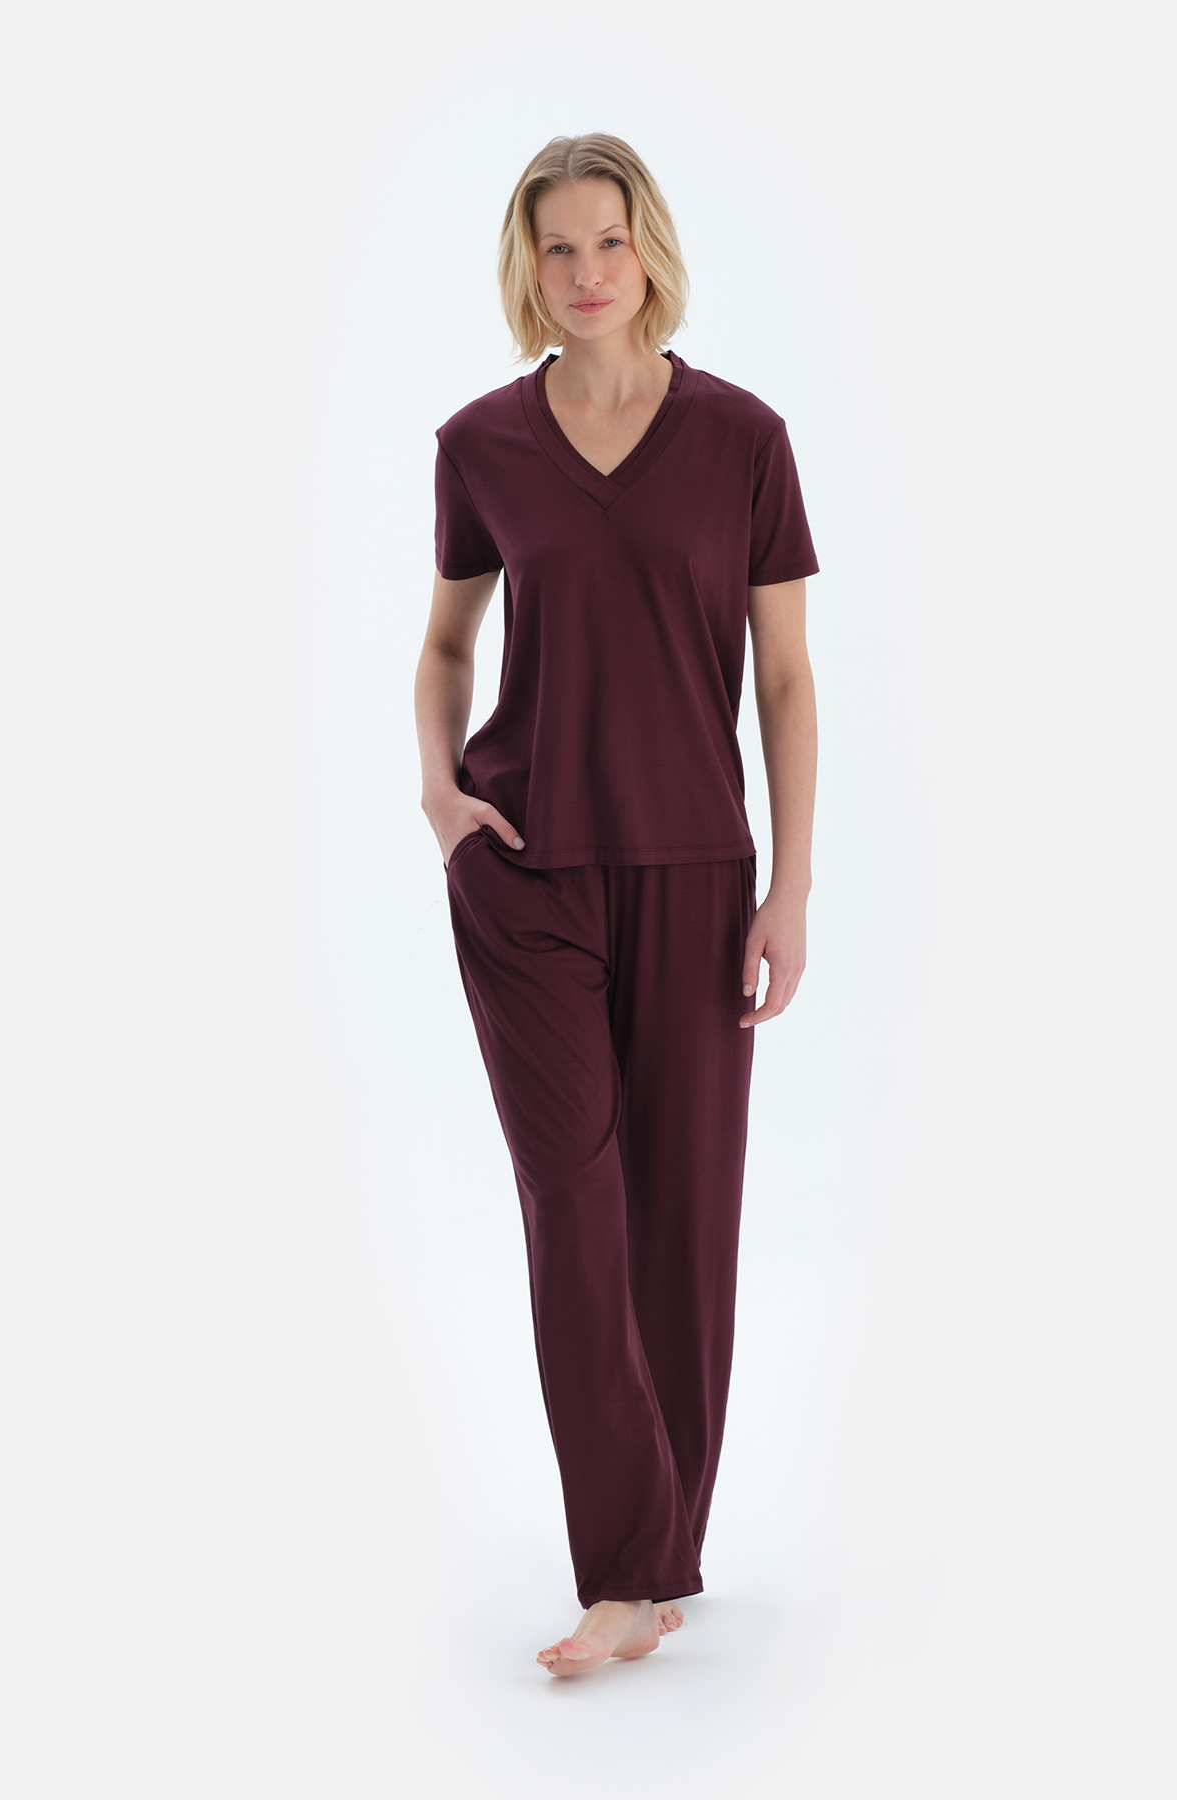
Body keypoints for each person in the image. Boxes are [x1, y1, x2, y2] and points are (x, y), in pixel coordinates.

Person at [413, 132, 820, 1677]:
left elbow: (786, 680)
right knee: (571, 1207)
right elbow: (447, 644)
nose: (585, 274)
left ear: (648, 247)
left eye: (608, 241)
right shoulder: (479, 445)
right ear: (528, 268)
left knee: (683, 1218)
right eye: (557, 249)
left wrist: (791, 884)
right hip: (527, 875)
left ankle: (663, 1558)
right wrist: (442, 794)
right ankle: (626, 1574)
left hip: (700, 873)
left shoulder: (745, 440)